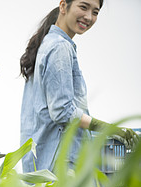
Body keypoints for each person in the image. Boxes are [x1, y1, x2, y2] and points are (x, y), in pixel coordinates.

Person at [19, 0, 139, 173]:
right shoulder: (60, 47)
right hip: (60, 164)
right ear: (63, 6)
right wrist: (110, 129)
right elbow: (62, 111)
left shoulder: (47, 44)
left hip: (43, 164)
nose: (88, 17)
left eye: (95, 12)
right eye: (83, 7)